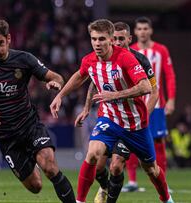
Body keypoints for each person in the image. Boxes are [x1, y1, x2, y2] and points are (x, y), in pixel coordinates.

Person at [50, 19, 174, 203]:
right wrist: (60, 95)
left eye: (101, 39)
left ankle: (166, 199)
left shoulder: (127, 58)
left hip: (135, 123)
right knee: (93, 154)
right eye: (94, 39)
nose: (97, 43)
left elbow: (147, 87)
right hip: (109, 119)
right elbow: (81, 76)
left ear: (110, 40)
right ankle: (80, 200)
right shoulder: (90, 59)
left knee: (151, 169)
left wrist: (115, 95)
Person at [0, 19, 76, 203]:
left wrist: (55, 82)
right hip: (5, 136)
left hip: (29, 125)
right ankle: (33, 160)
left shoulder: (24, 59)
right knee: (35, 187)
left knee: (49, 166)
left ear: (9, 39)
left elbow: (56, 76)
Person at [74, 21, 159, 203]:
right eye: (116, 39)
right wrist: (87, 107)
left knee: (117, 166)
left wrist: (144, 118)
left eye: (121, 39)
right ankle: (104, 187)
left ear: (129, 39)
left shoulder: (140, 60)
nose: (117, 43)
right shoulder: (104, 58)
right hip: (109, 118)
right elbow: (93, 82)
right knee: (97, 166)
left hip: (132, 121)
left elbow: (154, 91)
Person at [123, 16, 176, 192]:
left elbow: (169, 76)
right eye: (139, 29)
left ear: (150, 30)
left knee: (158, 140)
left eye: (146, 28)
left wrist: (171, 99)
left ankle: (164, 182)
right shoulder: (129, 51)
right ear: (135, 32)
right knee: (130, 140)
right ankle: (132, 182)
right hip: (135, 104)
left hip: (157, 104)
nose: (143, 32)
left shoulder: (161, 50)